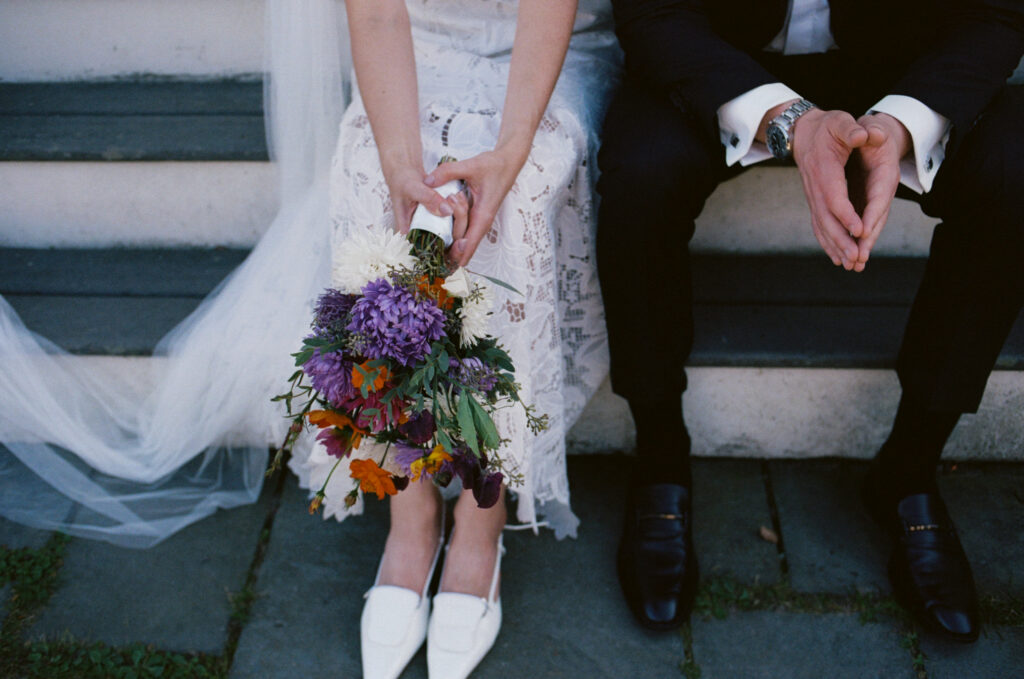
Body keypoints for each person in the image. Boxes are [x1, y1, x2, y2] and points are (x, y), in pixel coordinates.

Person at [597, 0, 1023, 641]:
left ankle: (908, 469)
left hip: (904, 69)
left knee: (1016, 171)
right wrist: (789, 120)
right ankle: (660, 454)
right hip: (721, 58)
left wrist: (904, 124)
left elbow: (998, 14)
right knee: (641, 172)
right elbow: (651, 11)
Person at [283, 1, 619, 677]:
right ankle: (409, 519)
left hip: (552, 47)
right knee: (382, 186)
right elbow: (377, 13)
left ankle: (478, 521)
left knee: (512, 196)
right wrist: (401, 164)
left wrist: (511, 146)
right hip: (418, 43)